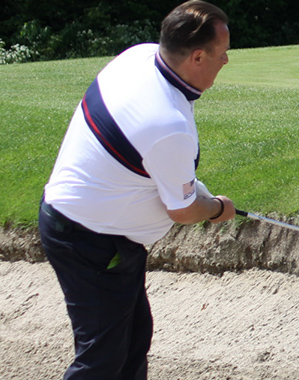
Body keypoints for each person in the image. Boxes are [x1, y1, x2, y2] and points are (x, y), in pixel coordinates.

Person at [38, 1, 235, 378]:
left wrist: (194, 192)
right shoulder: (169, 124)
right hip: (88, 240)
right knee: (102, 359)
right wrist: (216, 208)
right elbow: (182, 211)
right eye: (222, 54)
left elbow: (153, 169)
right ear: (197, 57)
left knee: (132, 342)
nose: (226, 62)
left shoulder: (140, 57)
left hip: (87, 226)